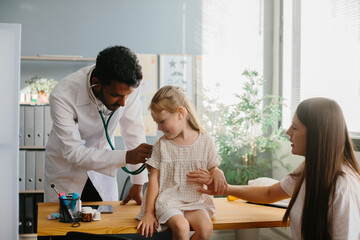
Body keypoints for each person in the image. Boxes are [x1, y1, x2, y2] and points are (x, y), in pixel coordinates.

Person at [188, 97, 360, 240]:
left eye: (295, 127)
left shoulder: (343, 187)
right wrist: (224, 189)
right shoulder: (310, 169)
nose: (287, 132)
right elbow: (270, 193)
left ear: (316, 134)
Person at [44, 46, 153, 204]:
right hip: (66, 169)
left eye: (126, 97)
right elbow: (74, 153)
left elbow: (133, 132)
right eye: (116, 96)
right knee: (65, 224)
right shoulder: (62, 96)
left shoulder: (128, 87)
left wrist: (137, 183)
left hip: (103, 167)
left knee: (105, 222)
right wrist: (128, 156)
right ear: (96, 83)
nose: (123, 103)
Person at [136, 86, 227, 239]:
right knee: (181, 226)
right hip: (169, 201)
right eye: (156, 123)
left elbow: (213, 168)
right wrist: (149, 213)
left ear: (181, 113)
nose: (159, 128)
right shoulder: (162, 145)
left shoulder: (205, 141)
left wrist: (218, 172)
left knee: (205, 228)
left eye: (162, 121)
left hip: (195, 200)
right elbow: (153, 180)